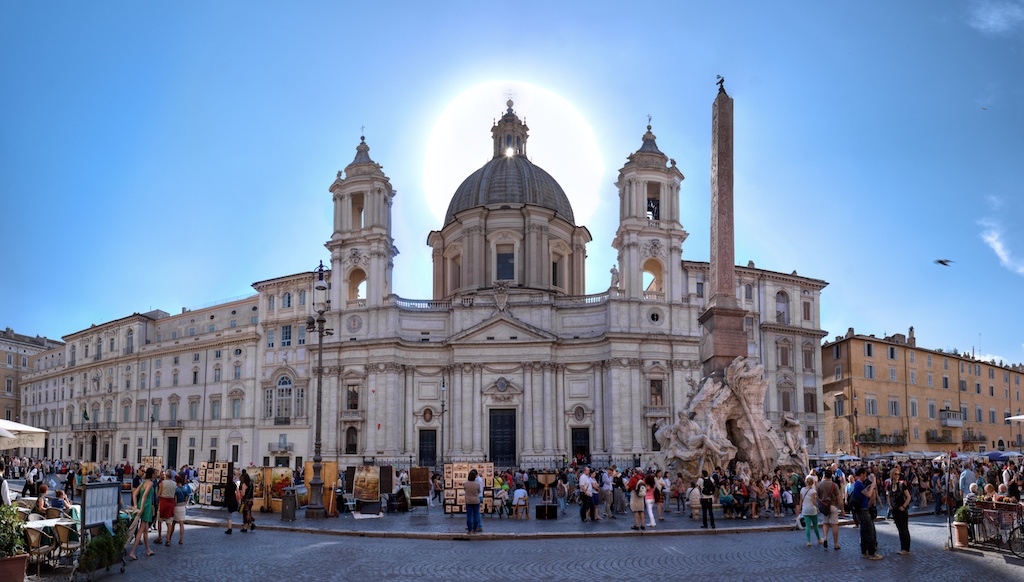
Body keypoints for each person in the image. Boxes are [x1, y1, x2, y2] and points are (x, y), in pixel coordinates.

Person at [851, 467, 882, 560]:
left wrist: (868, 487)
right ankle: (872, 554)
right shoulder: (859, 484)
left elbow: (864, 492)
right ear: (862, 474)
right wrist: (872, 485)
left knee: (864, 532)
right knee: (869, 532)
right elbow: (868, 495)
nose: (866, 476)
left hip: (861, 510)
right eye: (865, 474)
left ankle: (864, 551)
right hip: (863, 510)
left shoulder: (858, 484)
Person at [128, 467, 156, 560]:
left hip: (141, 504)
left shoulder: (143, 482)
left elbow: (135, 494)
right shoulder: (150, 483)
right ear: (151, 474)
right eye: (155, 473)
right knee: (141, 529)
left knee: (145, 529)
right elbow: (144, 496)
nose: (156, 475)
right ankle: (132, 552)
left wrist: (136, 505)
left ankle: (148, 549)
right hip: (146, 506)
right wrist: (142, 508)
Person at [888, 466, 911, 555]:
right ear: (892, 475)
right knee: (899, 529)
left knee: (904, 529)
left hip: (901, 510)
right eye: (895, 474)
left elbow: (909, 497)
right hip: (894, 510)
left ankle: (906, 549)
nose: (897, 476)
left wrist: (904, 506)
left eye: (898, 474)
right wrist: (889, 505)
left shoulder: (902, 485)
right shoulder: (890, 485)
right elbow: (889, 496)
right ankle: (902, 548)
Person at [816, 469, 841, 550]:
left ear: (824, 475)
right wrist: (842, 508)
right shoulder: (834, 485)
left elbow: (818, 497)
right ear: (831, 476)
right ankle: (835, 544)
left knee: (825, 523)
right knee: (834, 525)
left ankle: (825, 538)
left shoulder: (819, 485)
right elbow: (839, 498)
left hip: (824, 506)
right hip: (833, 505)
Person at [800, 475, 822, 547]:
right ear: (812, 483)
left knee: (807, 526)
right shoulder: (813, 491)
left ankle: (809, 541)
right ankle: (819, 539)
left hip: (805, 509)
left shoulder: (802, 490)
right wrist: (818, 506)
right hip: (812, 509)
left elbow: (801, 500)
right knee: (815, 526)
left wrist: (800, 508)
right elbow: (813, 501)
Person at [156, 471, 176, 545]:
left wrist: (158, 496)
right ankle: (168, 539)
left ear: (166, 476)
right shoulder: (174, 484)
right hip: (170, 503)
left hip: (163, 502)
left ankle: (160, 537)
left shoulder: (163, 483)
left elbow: (158, 494)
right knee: (169, 523)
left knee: (159, 521)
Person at [172, 474, 192, 544]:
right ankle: (181, 539)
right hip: (182, 507)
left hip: (176, 507)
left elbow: (175, 500)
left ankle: (170, 537)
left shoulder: (176, 490)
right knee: (181, 524)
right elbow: (186, 499)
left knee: (173, 523)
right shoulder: (185, 489)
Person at [464, 469, 482, 534]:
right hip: (476, 501)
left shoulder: (466, 484)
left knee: (469, 516)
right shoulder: (477, 484)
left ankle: (469, 530)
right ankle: (474, 530)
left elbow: (465, 490)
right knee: (476, 515)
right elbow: (479, 491)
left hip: (468, 501)